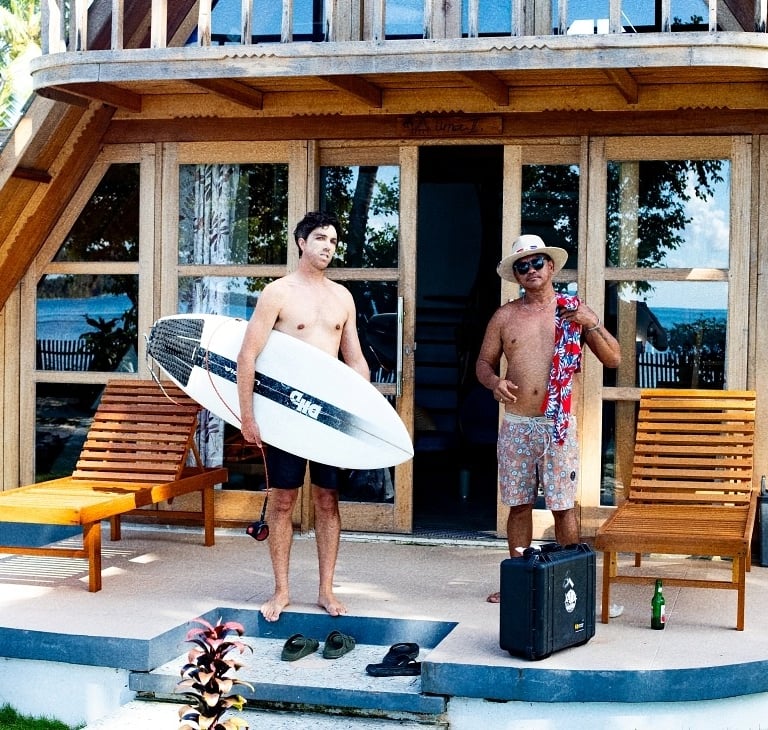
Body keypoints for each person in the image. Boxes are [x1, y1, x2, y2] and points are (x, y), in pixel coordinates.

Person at [236, 211, 370, 622]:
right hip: (285, 414)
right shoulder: (277, 292)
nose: (327, 246)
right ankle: (281, 591)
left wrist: (358, 411)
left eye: (332, 240)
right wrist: (248, 417)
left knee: (327, 501)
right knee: (282, 502)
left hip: (326, 415)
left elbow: (357, 362)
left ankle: (326, 591)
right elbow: (247, 356)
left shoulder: (342, 297)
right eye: (319, 239)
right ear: (301, 242)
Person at [476, 234, 621, 603]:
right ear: (516, 275)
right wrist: (494, 382)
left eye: (536, 262)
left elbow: (614, 359)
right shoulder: (505, 316)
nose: (530, 270)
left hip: (558, 425)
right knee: (519, 504)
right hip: (517, 424)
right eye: (522, 266)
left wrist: (591, 322)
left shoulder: (573, 311)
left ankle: (569, 585)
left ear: (551, 267)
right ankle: (520, 584)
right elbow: (483, 363)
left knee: (562, 505)